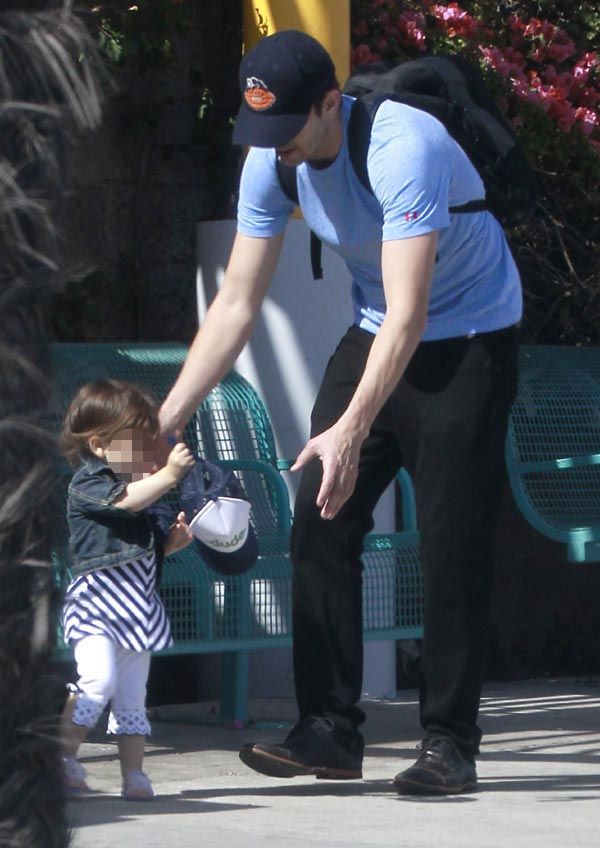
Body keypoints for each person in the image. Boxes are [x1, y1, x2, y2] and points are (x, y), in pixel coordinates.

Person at [159, 29, 521, 795]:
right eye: (263, 133)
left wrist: (354, 428)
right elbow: (235, 304)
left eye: (288, 128)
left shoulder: (403, 146)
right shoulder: (273, 159)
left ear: (332, 103)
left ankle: (450, 744)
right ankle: (327, 729)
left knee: (453, 544)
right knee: (322, 520)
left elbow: (412, 313)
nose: (276, 148)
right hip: (376, 327)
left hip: (467, 335)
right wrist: (165, 420)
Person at [59, 379, 195, 800]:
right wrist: (171, 475)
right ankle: (59, 757)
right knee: (97, 681)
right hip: (97, 607)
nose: (149, 455)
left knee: (133, 699)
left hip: (138, 610)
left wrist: (168, 545)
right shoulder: (89, 484)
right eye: (139, 444)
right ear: (99, 446)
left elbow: (141, 542)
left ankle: (133, 774)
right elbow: (124, 502)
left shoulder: (143, 491)